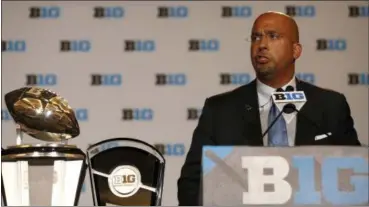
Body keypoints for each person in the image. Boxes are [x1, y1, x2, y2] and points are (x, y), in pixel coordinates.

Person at [177, 11, 361, 206]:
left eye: (273, 36)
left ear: (296, 51)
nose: (261, 45)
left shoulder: (330, 105)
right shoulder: (220, 110)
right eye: (256, 37)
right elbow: (192, 184)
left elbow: (353, 178)